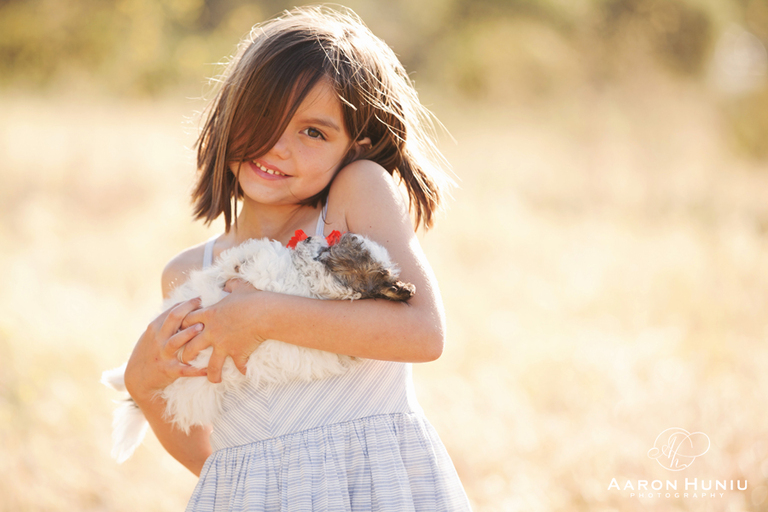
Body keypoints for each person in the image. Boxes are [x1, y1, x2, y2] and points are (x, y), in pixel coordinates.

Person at [123, 5, 471, 511]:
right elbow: (212, 457)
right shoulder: (188, 273)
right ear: (230, 112)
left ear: (357, 146)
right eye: (264, 116)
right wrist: (142, 386)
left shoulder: (350, 199)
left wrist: (261, 315)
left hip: (374, 489)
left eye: (314, 132)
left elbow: (424, 333)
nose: (278, 145)